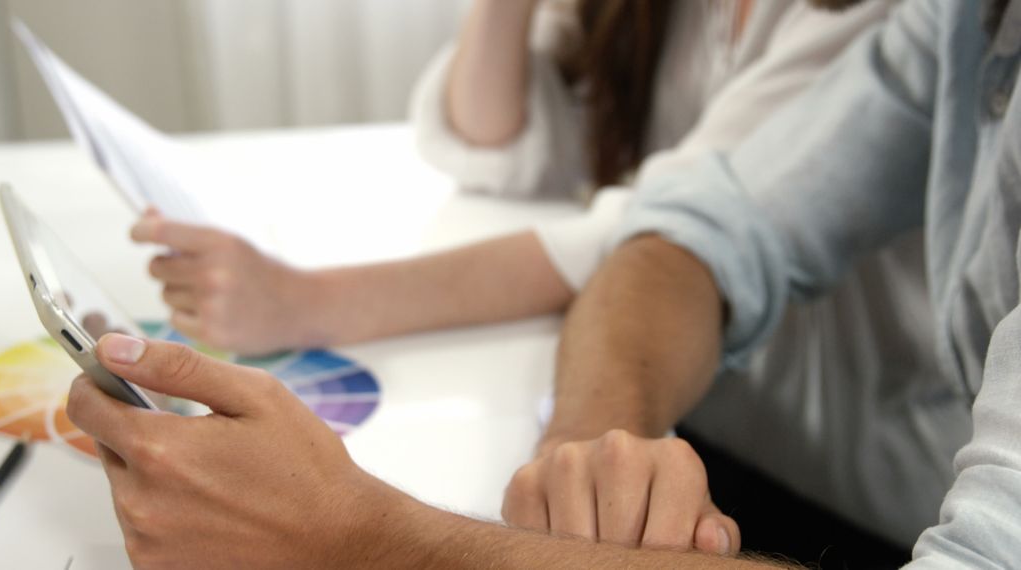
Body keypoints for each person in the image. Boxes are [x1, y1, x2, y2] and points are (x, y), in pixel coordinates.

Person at [69, 0, 1021, 567]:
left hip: (864, 486)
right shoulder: (954, 23)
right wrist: (592, 446)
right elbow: (691, 228)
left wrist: (365, 541)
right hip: (736, 441)